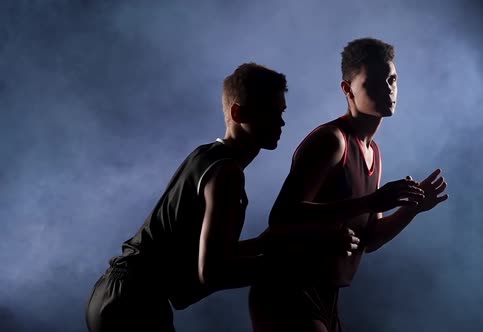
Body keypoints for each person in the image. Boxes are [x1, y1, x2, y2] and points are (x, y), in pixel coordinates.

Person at [85, 63, 367, 332]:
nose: (281, 122)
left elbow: (212, 255)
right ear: (237, 113)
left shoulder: (207, 155)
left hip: (118, 295)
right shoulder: (227, 174)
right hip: (132, 301)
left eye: (282, 111)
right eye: (270, 112)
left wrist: (268, 244)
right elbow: (213, 272)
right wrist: (305, 264)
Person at [248, 37, 449, 332]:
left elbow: (370, 239)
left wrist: (412, 209)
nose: (388, 89)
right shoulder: (332, 141)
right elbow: (282, 216)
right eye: (375, 83)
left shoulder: (373, 152)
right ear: (348, 89)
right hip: (287, 288)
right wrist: (372, 201)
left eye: (392, 80)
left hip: (326, 294)